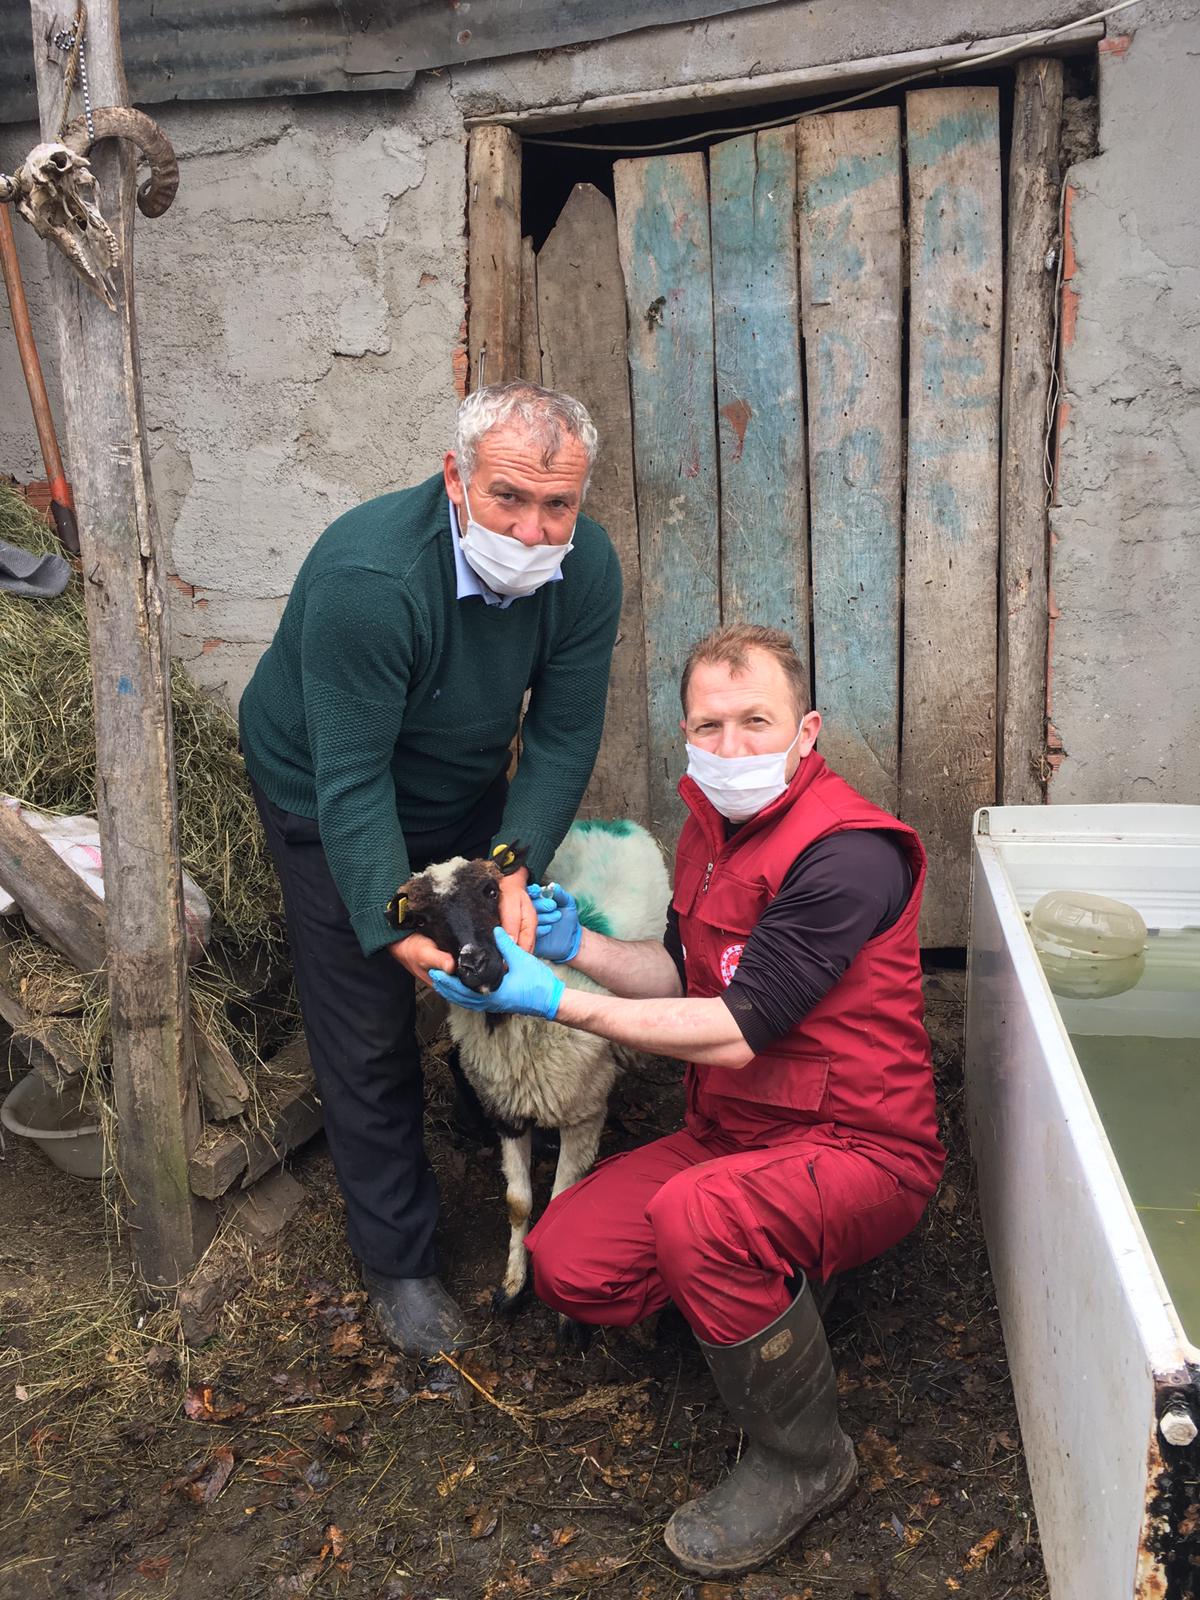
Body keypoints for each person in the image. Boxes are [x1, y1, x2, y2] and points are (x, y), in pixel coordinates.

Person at [431, 623, 946, 1577]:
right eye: (709, 726)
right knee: (566, 1262)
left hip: (858, 1147)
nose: (731, 746)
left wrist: (556, 1000)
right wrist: (575, 947)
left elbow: (741, 1027)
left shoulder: (847, 854)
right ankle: (775, 1283)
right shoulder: (708, 834)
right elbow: (679, 972)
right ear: (685, 734)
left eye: (757, 721)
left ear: (807, 730)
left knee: (699, 1218)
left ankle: (805, 1460)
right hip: (735, 1130)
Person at [238, 381, 622, 1358]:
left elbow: (563, 735)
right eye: (508, 497)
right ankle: (399, 1262)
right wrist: (391, 927)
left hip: (459, 786)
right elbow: (353, 781)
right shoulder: (372, 579)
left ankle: (479, 1106)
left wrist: (508, 867)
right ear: (457, 478)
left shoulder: (586, 569)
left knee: (491, 955)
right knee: (367, 1023)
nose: (532, 531)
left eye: (557, 506)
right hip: (323, 784)